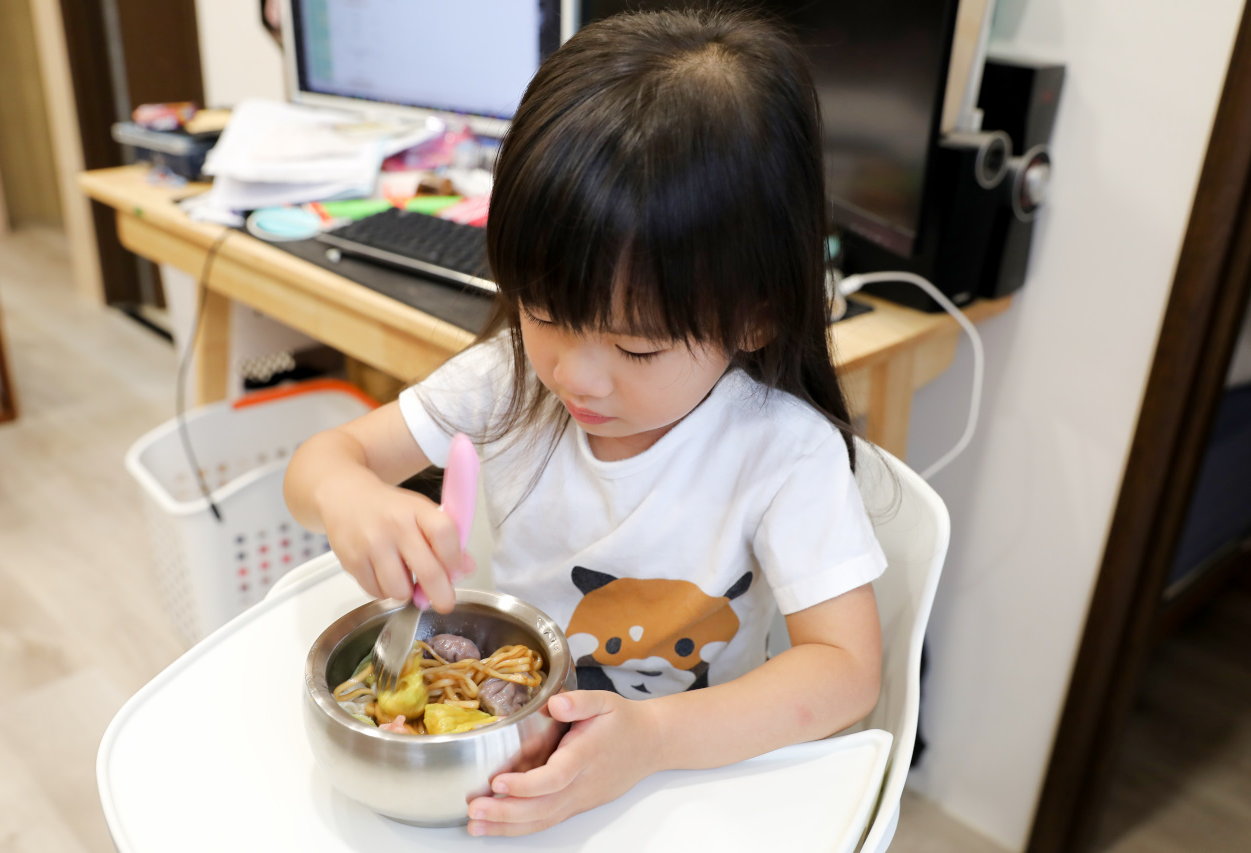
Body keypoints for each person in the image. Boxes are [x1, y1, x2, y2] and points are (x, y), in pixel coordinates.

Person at [285, 7, 886, 837]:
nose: (573, 373)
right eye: (542, 311)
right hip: (508, 755)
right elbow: (322, 459)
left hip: (682, 781)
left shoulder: (781, 453)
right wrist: (349, 494)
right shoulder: (507, 381)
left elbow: (847, 671)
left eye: (635, 348)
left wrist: (650, 739)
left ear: (754, 316)